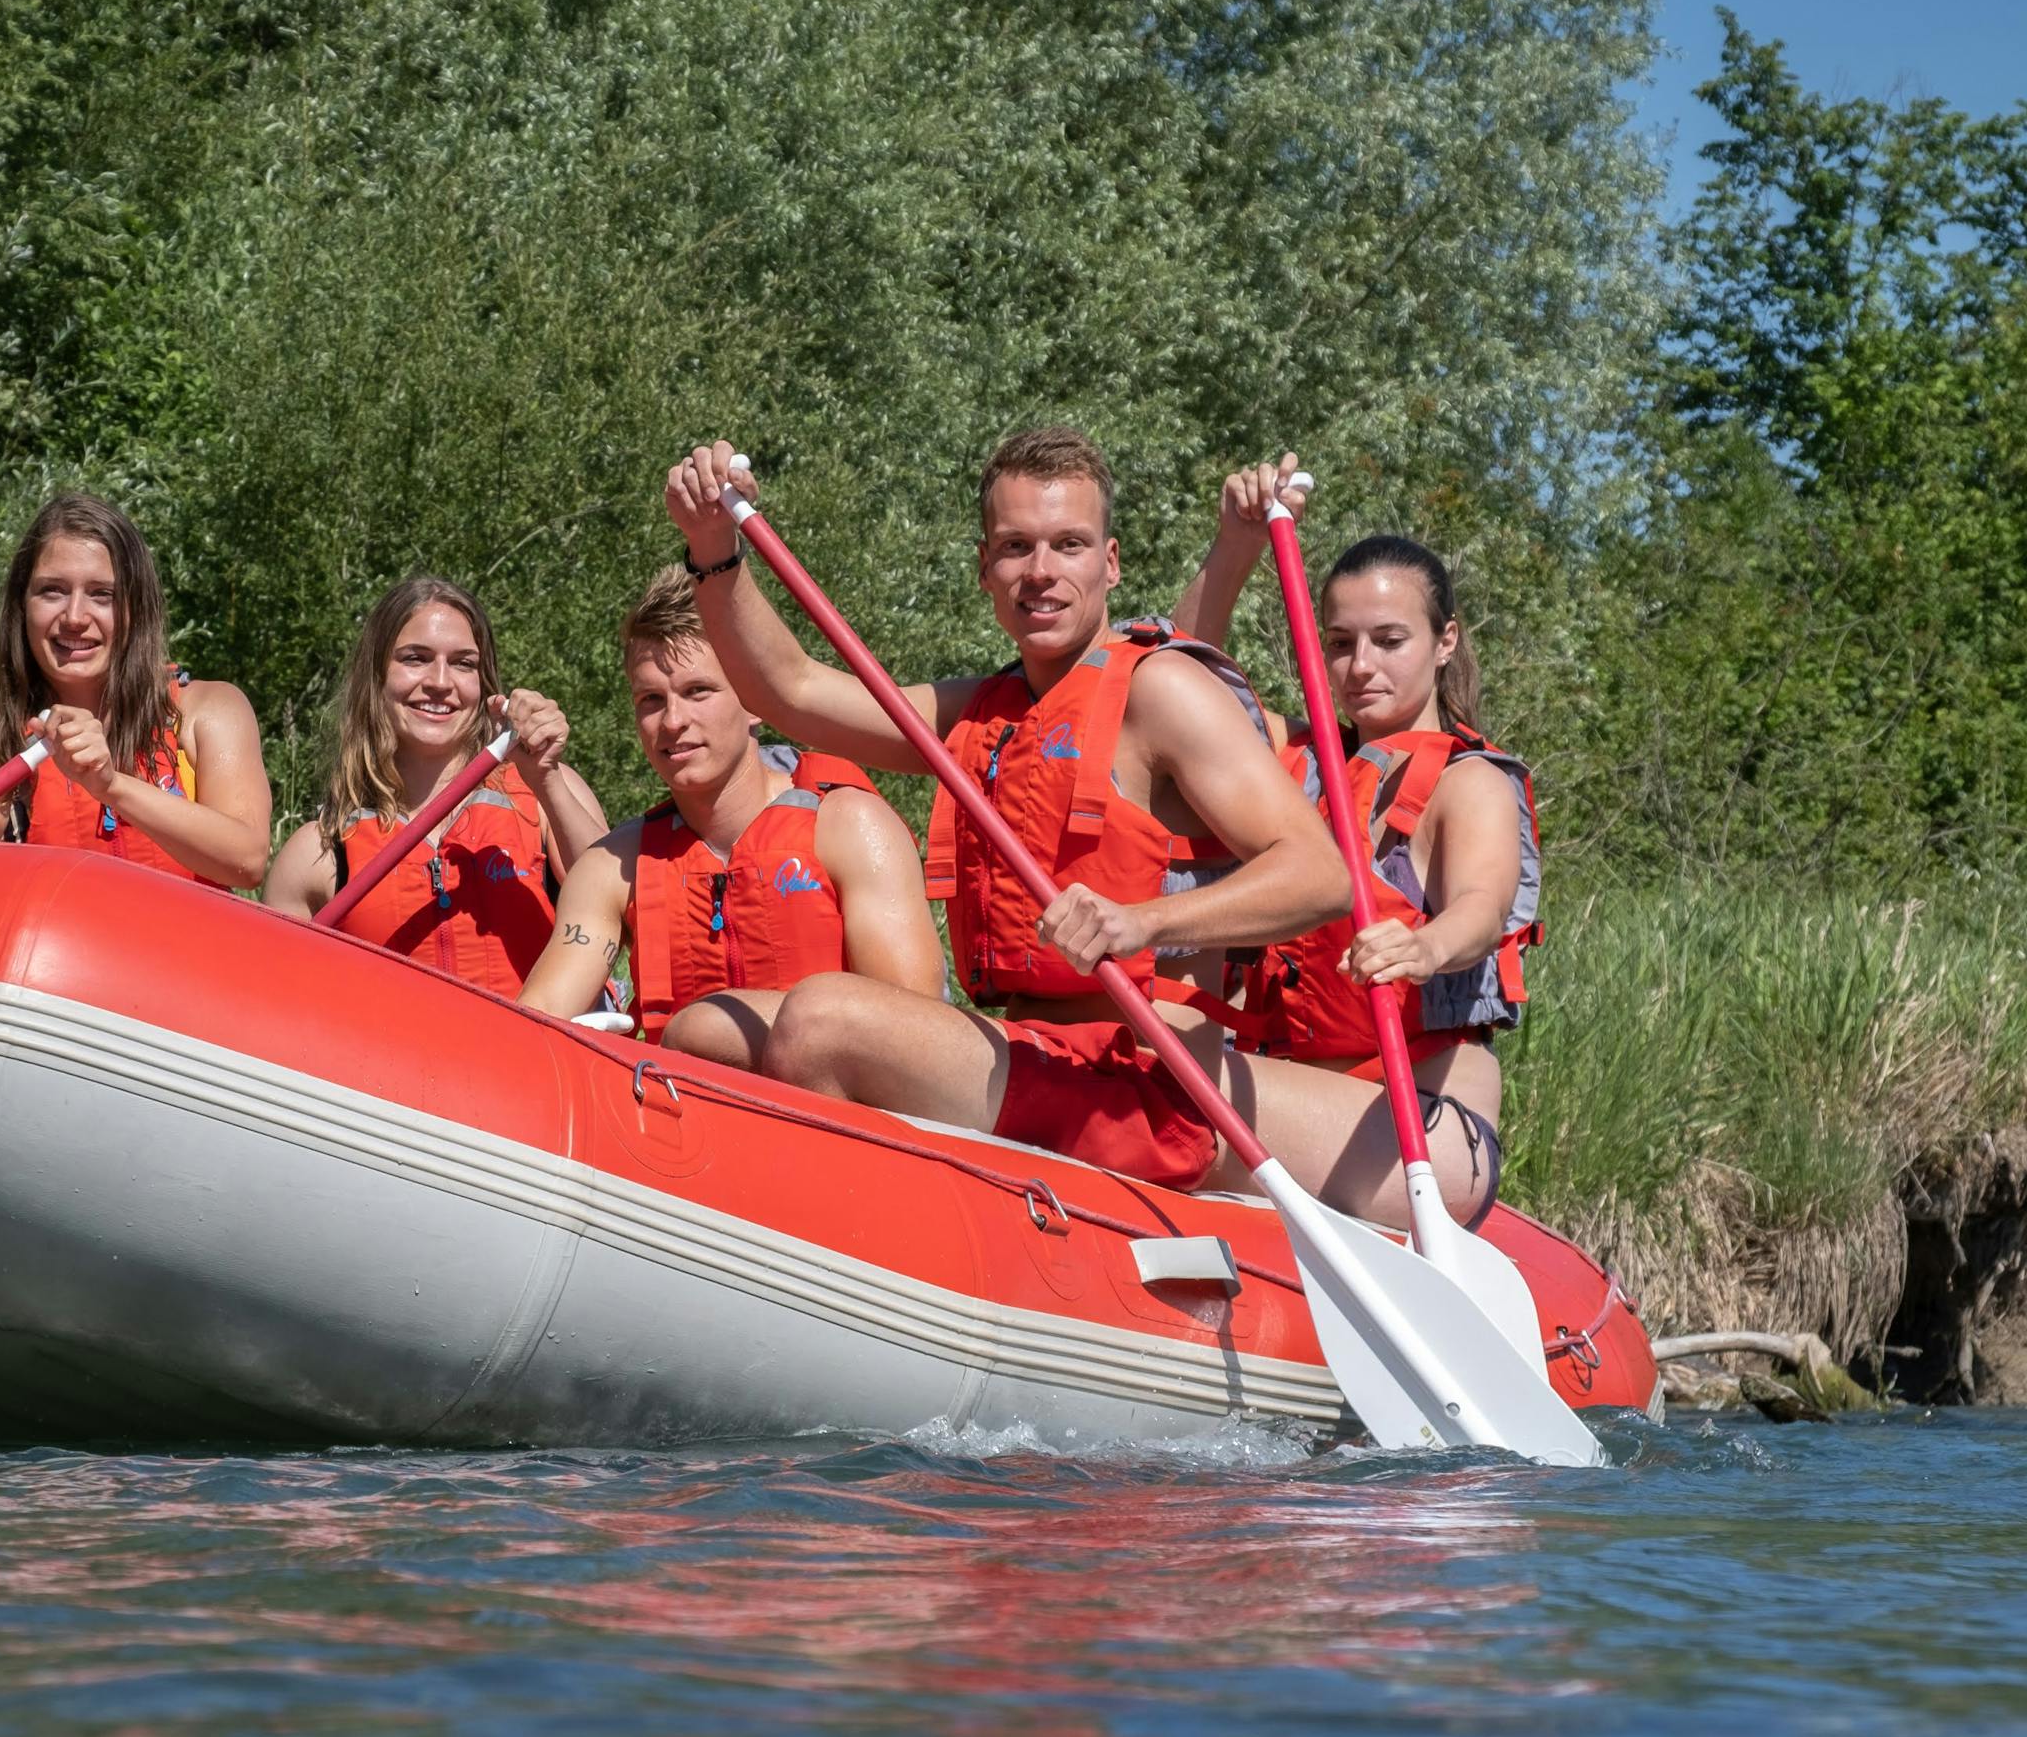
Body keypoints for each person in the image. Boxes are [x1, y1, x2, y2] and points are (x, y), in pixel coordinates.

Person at [665, 429, 1460, 1220]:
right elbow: (790, 691)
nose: (1040, 573)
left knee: (822, 1020)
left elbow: (1320, 874)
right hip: (1031, 1056)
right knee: (710, 1030)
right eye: (1016, 547)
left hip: (1143, 1086)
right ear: (985, 568)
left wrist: (1143, 921)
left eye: (1067, 545)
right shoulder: (979, 712)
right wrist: (713, 546)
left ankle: (865, 1242)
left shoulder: (1163, 691)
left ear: (1108, 563)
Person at [1169, 456, 1537, 1208]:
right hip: (1293, 1099)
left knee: (1152, 1104)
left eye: (1389, 640)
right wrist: (1236, 543)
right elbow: (1177, 682)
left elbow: (1481, 903)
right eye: (1339, 643)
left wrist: (1424, 947)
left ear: (1444, 642)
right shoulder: (1296, 764)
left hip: (1419, 1125)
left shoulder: (1468, 783)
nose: (1360, 666)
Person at [520, 565, 938, 1066]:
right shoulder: (612, 867)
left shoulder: (850, 827)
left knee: (701, 1028)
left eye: (699, 691)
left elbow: (917, 1039)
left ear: (756, 701)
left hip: (833, 1121)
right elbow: (535, 1021)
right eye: (651, 700)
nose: (673, 722)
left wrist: (716, 1029)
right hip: (676, 1125)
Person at [0, 492, 272, 888]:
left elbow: (248, 860)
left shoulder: (207, 713)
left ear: (137, 609)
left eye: (103, 594)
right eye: (52, 591)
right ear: (22, 607)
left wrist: (110, 786)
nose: (74, 617)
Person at [261, 576, 609, 989]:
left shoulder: (545, 795)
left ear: (483, 683)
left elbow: (626, 914)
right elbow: (276, 1004)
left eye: (463, 663)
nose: (440, 682)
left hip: (540, 1051)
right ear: (376, 677)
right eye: (415, 658)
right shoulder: (318, 852)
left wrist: (546, 779)